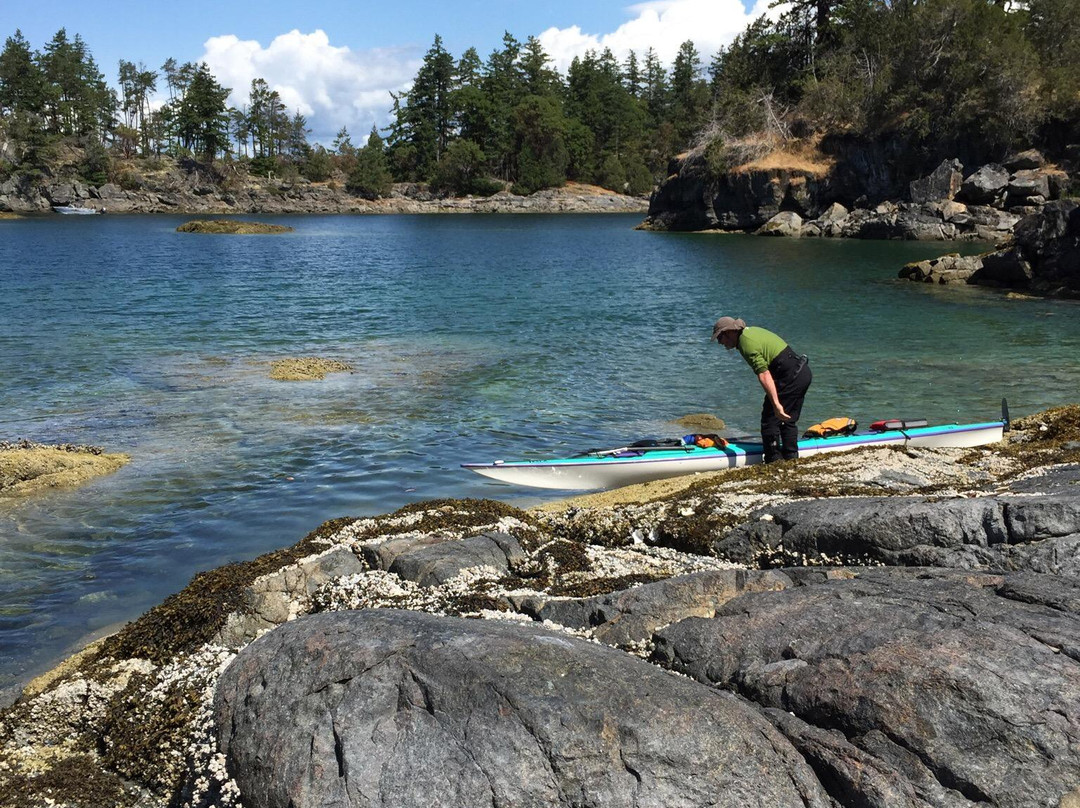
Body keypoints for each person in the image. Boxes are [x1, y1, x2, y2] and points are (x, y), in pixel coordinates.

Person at [712, 316, 812, 463]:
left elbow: (764, 375)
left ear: (729, 332)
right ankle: (791, 460)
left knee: (770, 420)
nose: (720, 343)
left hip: (790, 375)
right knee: (787, 420)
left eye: (720, 338)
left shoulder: (746, 343)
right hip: (802, 373)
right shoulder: (750, 333)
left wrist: (776, 404)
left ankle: (773, 461)